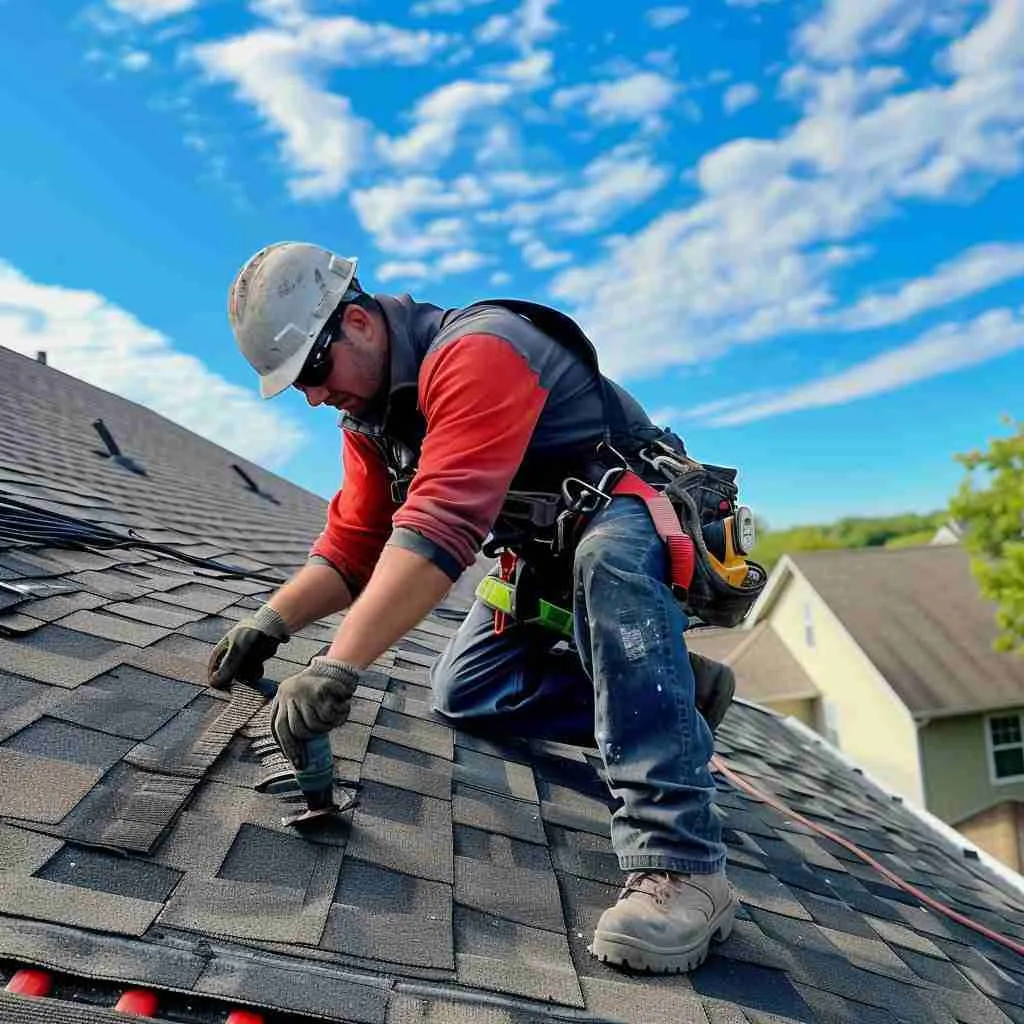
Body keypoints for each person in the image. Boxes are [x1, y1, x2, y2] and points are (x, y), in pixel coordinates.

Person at [209, 240, 743, 974]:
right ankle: (676, 694)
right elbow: (355, 544)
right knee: (466, 689)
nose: (312, 396)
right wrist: (270, 624)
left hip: (636, 518)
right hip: (547, 549)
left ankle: (685, 866)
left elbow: (441, 528)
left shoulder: (480, 349)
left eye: (312, 371)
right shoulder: (374, 422)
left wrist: (337, 667)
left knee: (608, 558)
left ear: (357, 323)